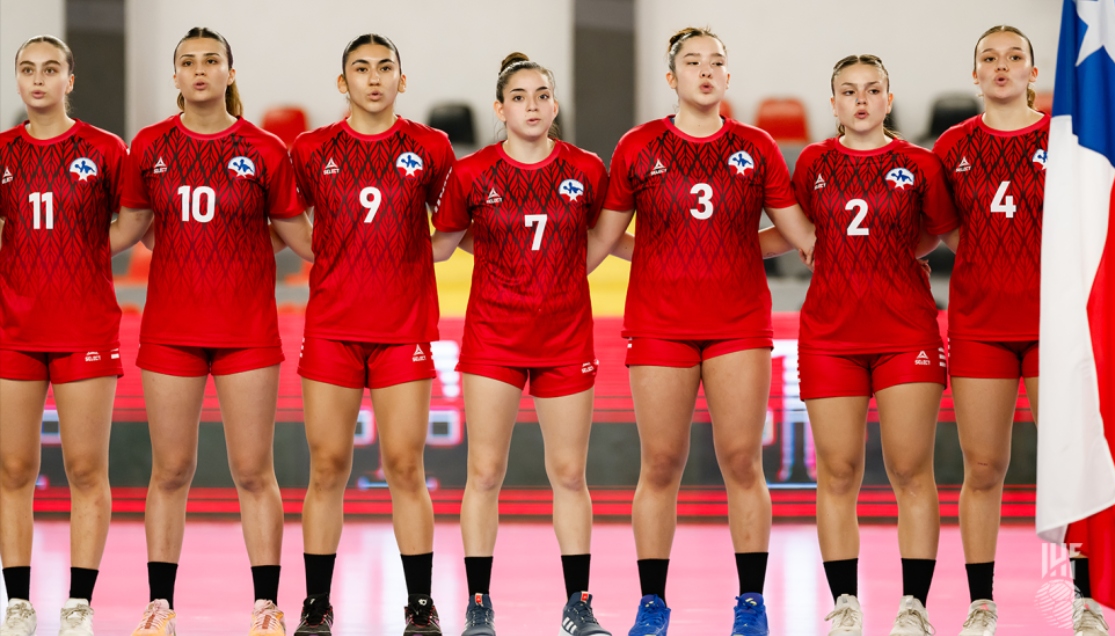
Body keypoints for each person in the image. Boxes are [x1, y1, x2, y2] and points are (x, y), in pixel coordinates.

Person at [587, 27, 815, 636]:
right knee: (660, 462)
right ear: (672, 78)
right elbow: (603, 242)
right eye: (693, 62)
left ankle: (751, 603)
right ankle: (653, 603)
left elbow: (797, 235)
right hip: (659, 325)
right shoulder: (639, 146)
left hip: (738, 323)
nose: (706, 71)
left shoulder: (757, 146)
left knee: (742, 461)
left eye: (717, 62)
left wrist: (738, 247)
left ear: (727, 77)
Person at [111, 26, 313, 636]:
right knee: (169, 470)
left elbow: (299, 238)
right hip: (170, 330)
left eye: (211, 61)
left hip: (247, 331)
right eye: (187, 62)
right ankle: (160, 607)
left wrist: (376, 244)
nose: (199, 70)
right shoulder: (148, 146)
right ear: (174, 77)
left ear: (230, 72)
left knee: (254, 471)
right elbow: (133, 230)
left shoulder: (267, 149)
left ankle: (266, 606)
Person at [431, 52, 611, 636]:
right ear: (500, 108)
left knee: (569, 473)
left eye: (541, 96)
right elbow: (444, 242)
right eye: (519, 97)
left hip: (565, 337)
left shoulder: (585, 168)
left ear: (555, 106)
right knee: (484, 472)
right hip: (494, 336)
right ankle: (478, 604)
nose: (531, 106)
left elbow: (611, 235)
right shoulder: (473, 173)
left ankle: (578, 605)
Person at [934, 25, 1105, 636]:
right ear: (974, 73)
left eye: (1014, 58)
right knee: (983, 468)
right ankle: (982, 603)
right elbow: (943, 232)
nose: (1001, 66)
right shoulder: (951, 147)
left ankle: (1085, 600)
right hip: (980, 326)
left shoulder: (1067, 138)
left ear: (1034, 73)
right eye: (988, 57)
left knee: (1068, 464)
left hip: (1054, 328)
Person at [288, 33, 454, 636]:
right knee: (327, 466)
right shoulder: (311, 149)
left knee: (405, 464)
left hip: (402, 328)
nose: (374, 78)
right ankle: (316, 604)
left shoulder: (430, 147)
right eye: (361, 69)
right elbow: (288, 220)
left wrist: (413, 259)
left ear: (402, 81)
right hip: (332, 328)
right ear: (343, 83)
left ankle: (419, 606)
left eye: (386, 68)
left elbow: (454, 224)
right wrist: (333, 256)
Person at [791, 54, 959, 636]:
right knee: (837, 473)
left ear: (889, 100)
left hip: (904, 331)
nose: (860, 100)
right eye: (848, 91)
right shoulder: (813, 162)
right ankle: (845, 603)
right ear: (832, 102)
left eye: (872, 90)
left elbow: (938, 230)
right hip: (829, 335)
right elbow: (797, 231)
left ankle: (913, 605)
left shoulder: (919, 164)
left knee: (910, 470)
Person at [0, 35, 125, 636]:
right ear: (17, 80)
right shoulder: (1, 152)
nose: (39, 80)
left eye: (51, 70)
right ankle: (18, 604)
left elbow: (134, 222)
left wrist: (84, 256)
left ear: (70, 80)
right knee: (13, 468)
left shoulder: (104, 149)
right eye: (28, 70)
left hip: (85, 329)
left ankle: (78, 604)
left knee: (84, 469)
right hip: (14, 332)